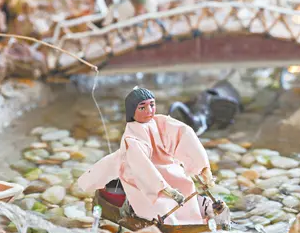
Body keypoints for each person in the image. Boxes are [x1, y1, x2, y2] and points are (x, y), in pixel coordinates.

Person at [78, 87, 219, 225]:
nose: (149, 110)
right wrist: (165, 189)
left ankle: (193, 220)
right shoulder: (131, 138)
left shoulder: (160, 122)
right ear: (132, 111)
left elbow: (184, 134)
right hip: (140, 180)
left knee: (186, 186)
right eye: (142, 107)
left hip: (167, 167)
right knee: (162, 204)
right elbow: (142, 167)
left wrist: (203, 168)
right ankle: (171, 224)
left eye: (152, 105)